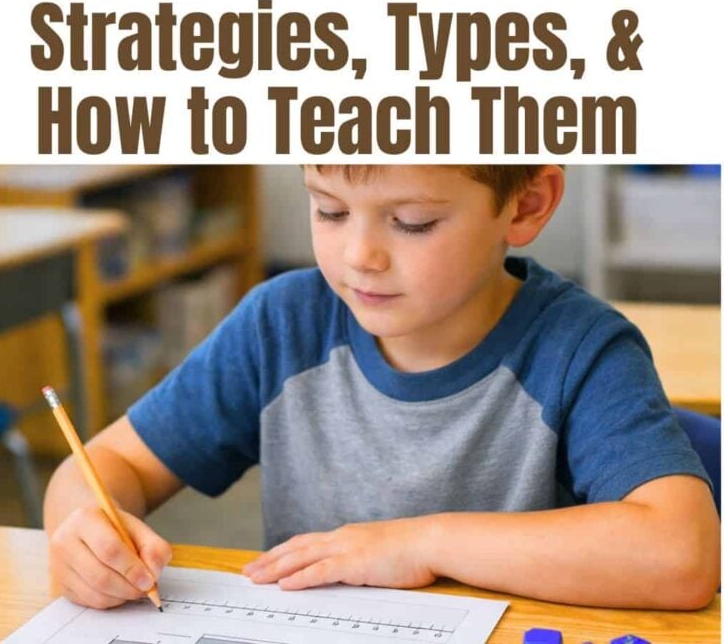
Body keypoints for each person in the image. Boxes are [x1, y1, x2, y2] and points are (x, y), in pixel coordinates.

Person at [43, 165, 720, 611]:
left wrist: (421, 544)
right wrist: (84, 530)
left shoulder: (580, 350)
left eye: (412, 221)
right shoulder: (282, 325)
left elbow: (681, 555)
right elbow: (108, 463)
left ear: (526, 204)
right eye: (329, 210)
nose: (358, 256)